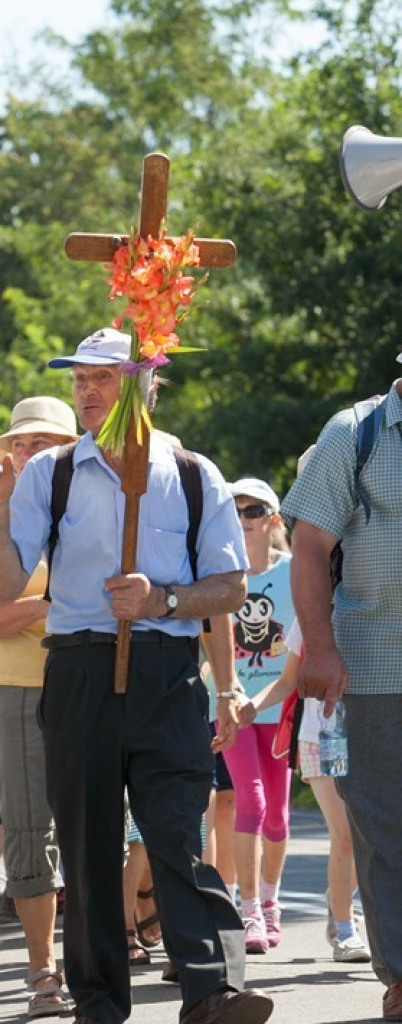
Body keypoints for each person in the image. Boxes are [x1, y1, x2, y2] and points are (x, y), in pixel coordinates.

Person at [0, 327, 273, 1024]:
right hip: (79, 670)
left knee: (177, 835)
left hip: (166, 674)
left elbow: (231, 586)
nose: (85, 391)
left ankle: (212, 989)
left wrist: (164, 601)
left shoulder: (193, 474)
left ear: (144, 384)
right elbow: (4, 581)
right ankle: (97, 1003)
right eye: (79, 379)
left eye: (102, 378)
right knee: (89, 846)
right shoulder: (50, 472)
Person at [281, 354, 402, 1022]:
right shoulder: (354, 433)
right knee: (385, 830)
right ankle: (401, 975)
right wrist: (321, 649)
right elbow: (308, 547)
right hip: (376, 669)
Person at [0, 395, 78, 1017]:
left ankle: (93, 957)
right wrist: (41, 609)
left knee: (94, 828)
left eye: (43, 442)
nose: (29, 452)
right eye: (20, 443)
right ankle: (43, 971)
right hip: (15, 688)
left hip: (88, 683)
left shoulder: (99, 506)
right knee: (28, 832)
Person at [239, 621, 371, 963]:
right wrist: (252, 705)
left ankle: (339, 897)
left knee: (371, 837)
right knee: (344, 835)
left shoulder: (373, 610)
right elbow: (288, 681)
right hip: (320, 738)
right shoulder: (310, 619)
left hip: (370, 734)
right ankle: (345, 931)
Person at [218, 479, 295, 954]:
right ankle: (248, 911)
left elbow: (301, 648)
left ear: (273, 519)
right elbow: (207, 648)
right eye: (237, 510)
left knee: (279, 819)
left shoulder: (294, 572)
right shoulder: (219, 572)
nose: (244, 518)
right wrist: (229, 695)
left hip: (277, 707)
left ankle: (269, 901)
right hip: (230, 706)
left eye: (254, 510)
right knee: (251, 802)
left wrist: (261, 700)